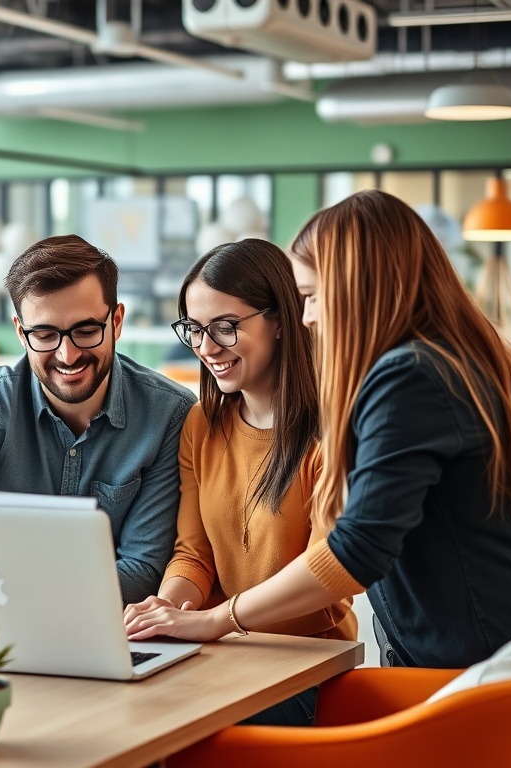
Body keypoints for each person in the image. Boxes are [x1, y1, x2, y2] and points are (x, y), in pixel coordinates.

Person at [125, 190, 511, 671]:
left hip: (471, 658)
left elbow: (355, 551)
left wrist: (218, 619)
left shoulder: (409, 376)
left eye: (311, 297)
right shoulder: (451, 361)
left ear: (361, 287)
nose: (306, 317)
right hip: (471, 648)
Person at [125, 238, 356, 726]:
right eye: (195, 329)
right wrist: (166, 611)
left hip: (305, 665)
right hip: (220, 654)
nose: (207, 348)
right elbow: (194, 555)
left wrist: (214, 621)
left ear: (280, 318)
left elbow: (326, 571)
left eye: (226, 328)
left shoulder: (335, 431)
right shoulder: (201, 424)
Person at [0, 234, 197, 604]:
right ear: (21, 333)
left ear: (116, 322)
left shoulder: (170, 414)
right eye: (45, 334)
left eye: (86, 331)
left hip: (91, 630)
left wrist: (19, 594)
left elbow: (141, 569)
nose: (68, 355)